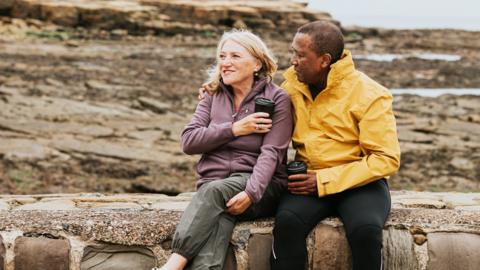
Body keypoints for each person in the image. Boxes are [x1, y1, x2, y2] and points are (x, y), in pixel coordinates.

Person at [154, 29, 293, 270]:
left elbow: (272, 153)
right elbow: (189, 141)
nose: (225, 63)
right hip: (216, 187)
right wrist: (234, 129)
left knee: (213, 193)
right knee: (219, 217)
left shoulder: (277, 99)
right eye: (222, 56)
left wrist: (251, 192)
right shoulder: (212, 94)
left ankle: (172, 265)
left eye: (235, 56)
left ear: (257, 63)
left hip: (261, 187)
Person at [269, 20, 401, 270]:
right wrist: (216, 91)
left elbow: (386, 159)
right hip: (307, 181)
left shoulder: (370, 94)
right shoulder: (291, 88)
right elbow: (257, 104)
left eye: (300, 55)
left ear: (324, 60)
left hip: (361, 184)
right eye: (292, 52)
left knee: (366, 232)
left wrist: (322, 180)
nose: (292, 61)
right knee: (286, 224)